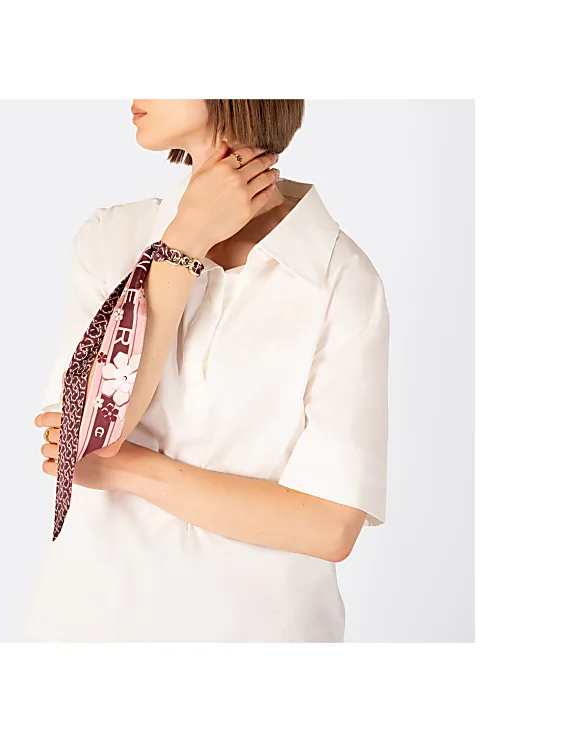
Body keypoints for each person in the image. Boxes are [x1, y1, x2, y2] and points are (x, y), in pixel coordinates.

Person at [23, 99, 390, 642]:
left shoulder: (339, 279)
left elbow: (330, 527)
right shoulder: (112, 237)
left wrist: (130, 471)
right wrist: (184, 242)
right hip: (91, 625)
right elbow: (92, 433)